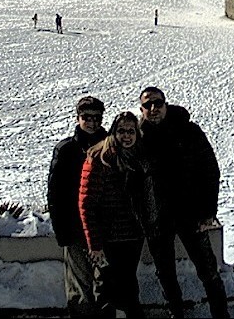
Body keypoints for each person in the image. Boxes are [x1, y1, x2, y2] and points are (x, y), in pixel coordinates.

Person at [138, 87, 230, 319]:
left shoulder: (188, 131)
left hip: (191, 214)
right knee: (166, 274)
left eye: (157, 103)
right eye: (147, 105)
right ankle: (177, 314)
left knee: (208, 270)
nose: (153, 109)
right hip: (156, 217)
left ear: (166, 105)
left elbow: (210, 170)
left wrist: (209, 211)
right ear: (141, 110)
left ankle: (221, 314)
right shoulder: (137, 137)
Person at [79, 111, 147, 319]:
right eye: (121, 131)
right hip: (107, 237)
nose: (126, 136)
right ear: (113, 132)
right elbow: (86, 204)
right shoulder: (99, 158)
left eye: (131, 131)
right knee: (107, 290)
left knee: (128, 287)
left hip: (132, 235)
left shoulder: (139, 156)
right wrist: (94, 244)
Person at [47, 95, 108, 317]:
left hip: (105, 229)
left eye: (96, 118)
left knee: (107, 287)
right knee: (80, 289)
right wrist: (62, 232)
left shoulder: (111, 146)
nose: (92, 123)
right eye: (86, 117)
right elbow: (55, 195)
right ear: (78, 118)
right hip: (74, 229)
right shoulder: (66, 150)